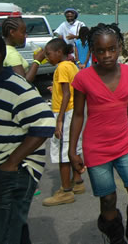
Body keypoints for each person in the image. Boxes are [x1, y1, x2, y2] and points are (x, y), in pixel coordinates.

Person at [69, 23, 128, 244]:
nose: (107, 55)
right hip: (95, 148)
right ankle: (116, 238)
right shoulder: (83, 78)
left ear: (119, 47)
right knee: (108, 199)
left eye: (111, 49)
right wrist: (72, 150)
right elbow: (78, 115)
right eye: (100, 51)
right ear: (93, 51)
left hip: (124, 144)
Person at [0, 30, 56, 244]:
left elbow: (45, 123)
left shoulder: (14, 86)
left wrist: (11, 163)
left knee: (0, 232)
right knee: (11, 228)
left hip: (10, 172)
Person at [41, 38, 85, 206]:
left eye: (48, 54)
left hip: (65, 112)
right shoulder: (71, 65)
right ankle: (78, 181)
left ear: (59, 52)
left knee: (63, 152)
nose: (46, 57)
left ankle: (65, 190)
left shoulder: (61, 67)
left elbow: (66, 94)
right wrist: (56, 88)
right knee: (72, 147)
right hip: (72, 111)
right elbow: (68, 88)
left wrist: (59, 120)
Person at [1, 16, 45, 83]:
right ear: (12, 32)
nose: (25, 35)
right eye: (23, 32)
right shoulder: (11, 54)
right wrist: (37, 61)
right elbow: (23, 82)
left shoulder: (4, 49)